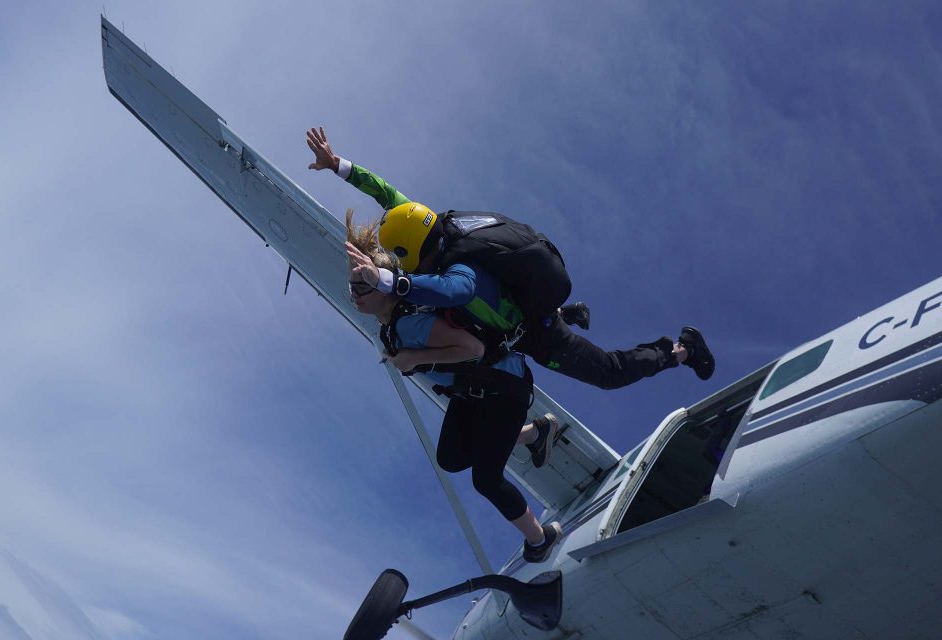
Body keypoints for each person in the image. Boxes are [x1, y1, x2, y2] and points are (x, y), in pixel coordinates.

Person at [307, 128, 716, 394]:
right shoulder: (433, 222)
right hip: (520, 292)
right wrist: (339, 166)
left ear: (411, 251)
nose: (402, 267)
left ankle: (680, 350)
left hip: (537, 332)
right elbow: (386, 192)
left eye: (402, 261)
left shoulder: (455, 264)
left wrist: (391, 283)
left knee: (608, 372)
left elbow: (459, 290)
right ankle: (564, 310)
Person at [346, 210, 562, 563]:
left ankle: (540, 539)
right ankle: (535, 433)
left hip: (504, 388)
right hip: (474, 391)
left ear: (384, 287)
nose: (354, 294)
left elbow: (472, 349)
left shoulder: (409, 325)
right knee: (449, 457)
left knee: (486, 480)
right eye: (352, 285)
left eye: (361, 286)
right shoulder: (395, 324)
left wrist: (416, 360)